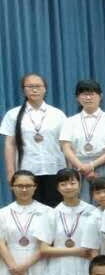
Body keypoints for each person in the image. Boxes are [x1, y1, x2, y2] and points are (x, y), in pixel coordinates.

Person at [3, 73, 67, 207]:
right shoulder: (13, 114)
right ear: (23, 90)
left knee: (55, 209)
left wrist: (70, 170)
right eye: (30, 86)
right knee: (28, 209)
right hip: (26, 170)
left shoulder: (57, 114)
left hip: (54, 169)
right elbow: (10, 144)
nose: (34, 89)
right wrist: (10, 172)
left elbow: (65, 144)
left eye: (38, 86)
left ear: (45, 89)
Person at [59, 80, 105, 201]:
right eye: (84, 94)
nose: (88, 97)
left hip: (104, 166)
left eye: (92, 94)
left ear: (100, 96)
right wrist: (82, 167)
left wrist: (91, 165)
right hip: (79, 168)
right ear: (77, 98)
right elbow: (66, 147)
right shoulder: (70, 121)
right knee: (81, 204)